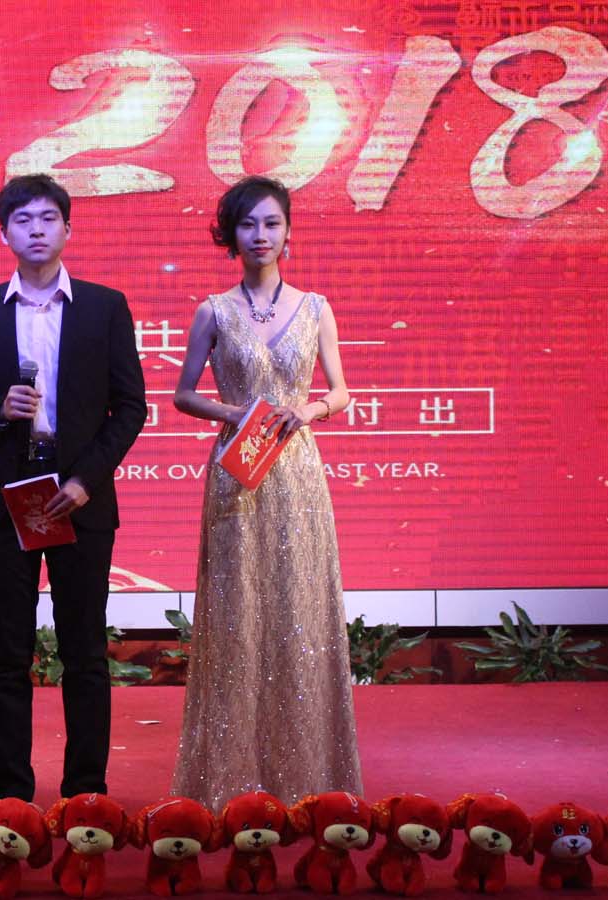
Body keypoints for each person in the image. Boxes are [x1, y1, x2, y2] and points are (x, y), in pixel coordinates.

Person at [0, 174, 147, 802]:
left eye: (48, 218)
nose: (36, 229)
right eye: (23, 219)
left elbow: (130, 407)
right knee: (8, 653)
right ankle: (9, 798)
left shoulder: (104, 307)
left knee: (84, 651)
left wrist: (87, 479)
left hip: (79, 495)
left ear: (67, 229)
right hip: (7, 499)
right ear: (4, 232)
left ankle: (86, 792)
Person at [170, 175, 362, 809]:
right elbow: (183, 394)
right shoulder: (213, 311)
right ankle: (229, 781)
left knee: (299, 610)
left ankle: (308, 778)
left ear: (288, 231)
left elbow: (341, 391)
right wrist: (234, 413)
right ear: (231, 234)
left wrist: (308, 410)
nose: (261, 235)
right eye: (248, 224)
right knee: (238, 615)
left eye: (272, 223)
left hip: (297, 473)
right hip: (237, 468)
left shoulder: (316, 307)